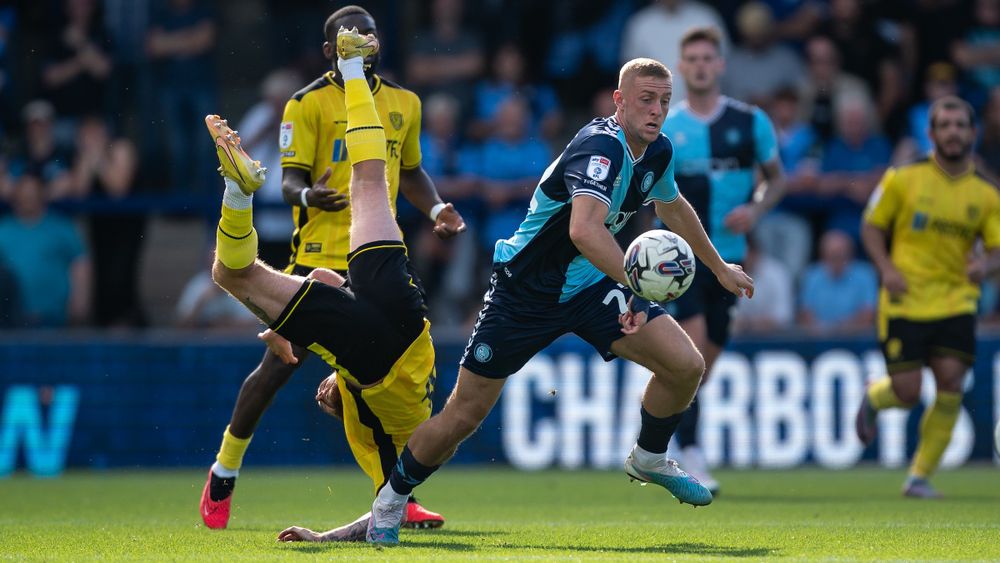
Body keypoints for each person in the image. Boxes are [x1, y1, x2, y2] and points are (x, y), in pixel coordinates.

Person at [362, 57, 755, 547]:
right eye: (646, 100)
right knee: (464, 414)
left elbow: (671, 205)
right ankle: (390, 502)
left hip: (590, 286)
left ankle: (649, 458)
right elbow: (584, 229)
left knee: (684, 365)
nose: (657, 111)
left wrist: (719, 268)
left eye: (664, 102)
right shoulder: (600, 149)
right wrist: (636, 287)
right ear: (619, 101)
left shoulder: (658, 151)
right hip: (523, 292)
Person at [198, 6, 465, 532]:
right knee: (272, 346)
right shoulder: (305, 104)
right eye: (351, 36)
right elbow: (291, 181)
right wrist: (308, 196)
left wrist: (435, 209)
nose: (368, 37)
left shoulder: (407, 103)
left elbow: (406, 170)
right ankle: (226, 467)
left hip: (382, 282)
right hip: (326, 253)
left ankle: (237, 189)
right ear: (327, 51)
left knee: (366, 179)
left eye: (369, 34)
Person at [661, 27, 786, 494]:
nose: (699, 65)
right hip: (681, 259)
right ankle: (691, 455)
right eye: (690, 58)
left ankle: (665, 426)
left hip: (730, 263)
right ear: (681, 66)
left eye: (706, 58)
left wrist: (755, 207)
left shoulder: (750, 121)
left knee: (703, 365)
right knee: (691, 355)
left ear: (720, 64)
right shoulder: (669, 127)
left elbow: (776, 180)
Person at [856, 96, 1000, 498]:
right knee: (908, 392)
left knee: (951, 381)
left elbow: (997, 248)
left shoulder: (987, 194)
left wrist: (985, 267)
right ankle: (875, 395)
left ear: (973, 133)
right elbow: (871, 227)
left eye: (961, 125)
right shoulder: (903, 178)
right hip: (906, 298)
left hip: (956, 300)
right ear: (932, 133)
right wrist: (886, 268)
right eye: (945, 125)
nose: (953, 132)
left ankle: (919, 476)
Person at [797, 229, 878, 334]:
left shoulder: (865, 274)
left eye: (840, 256)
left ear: (850, 254)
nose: (836, 260)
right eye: (831, 256)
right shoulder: (811, 276)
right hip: (819, 339)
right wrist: (826, 332)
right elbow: (805, 314)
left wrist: (842, 329)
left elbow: (869, 314)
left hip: (856, 339)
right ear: (823, 256)